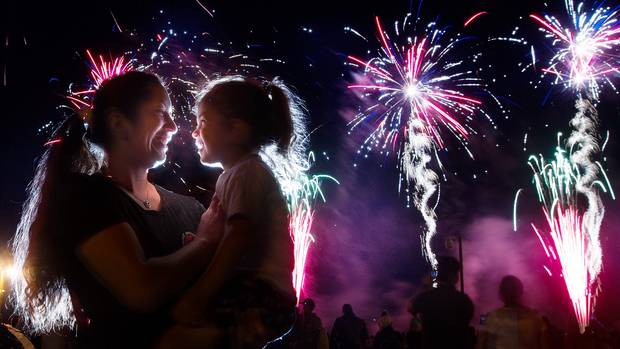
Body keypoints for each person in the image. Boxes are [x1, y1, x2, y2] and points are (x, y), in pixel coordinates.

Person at [11, 71, 225, 348]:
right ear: (119, 123)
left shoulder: (192, 207)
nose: (173, 126)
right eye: (161, 113)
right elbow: (142, 289)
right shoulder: (86, 200)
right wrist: (207, 241)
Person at [170, 76, 298, 348]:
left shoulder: (246, 172)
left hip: (261, 294)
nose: (194, 132)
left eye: (202, 122)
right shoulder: (238, 174)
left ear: (235, 130)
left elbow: (238, 237)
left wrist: (199, 296)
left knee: (174, 335)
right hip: (262, 293)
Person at [410, 256, 475, 349]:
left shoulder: (426, 298)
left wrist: (428, 287)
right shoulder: (464, 300)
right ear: (453, 276)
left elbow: (410, 307)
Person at [477, 275, 549, 349]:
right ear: (521, 292)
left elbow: (480, 345)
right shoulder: (538, 318)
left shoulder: (484, 318)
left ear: (501, 294)